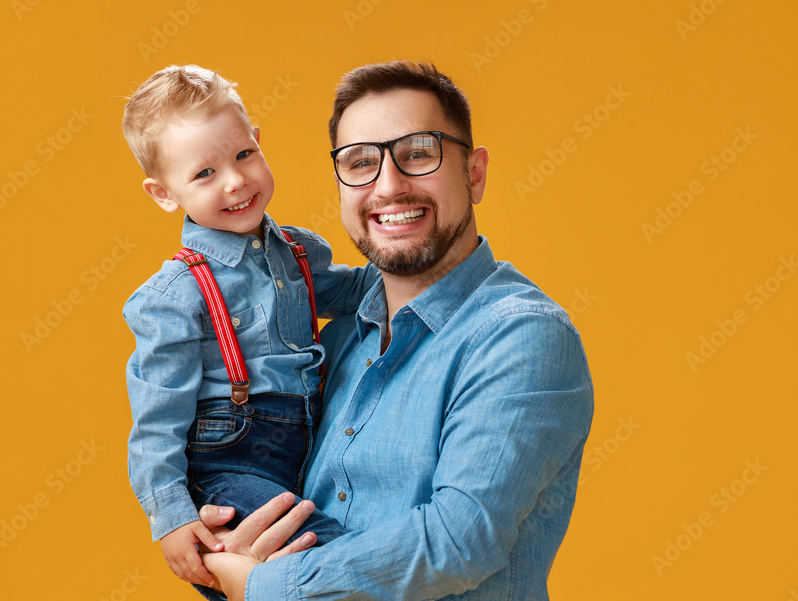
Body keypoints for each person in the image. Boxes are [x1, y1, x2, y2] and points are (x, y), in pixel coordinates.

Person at [195, 60, 595, 600]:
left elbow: (458, 542)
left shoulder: (521, 336)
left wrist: (266, 587)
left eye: (419, 153)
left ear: (473, 174)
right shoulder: (331, 342)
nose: (389, 185)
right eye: (360, 162)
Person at [120, 65, 379, 592]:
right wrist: (170, 516)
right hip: (229, 462)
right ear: (163, 193)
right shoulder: (175, 295)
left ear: (258, 142)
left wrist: (423, 263)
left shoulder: (297, 252)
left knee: (345, 544)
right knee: (333, 558)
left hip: (306, 446)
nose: (236, 181)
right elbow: (156, 415)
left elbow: (356, 291)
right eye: (203, 174)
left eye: (243, 155)